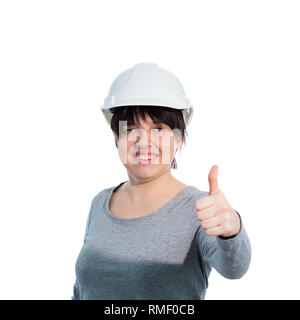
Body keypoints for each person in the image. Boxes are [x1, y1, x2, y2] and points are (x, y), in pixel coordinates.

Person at [71, 62, 251, 300]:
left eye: (158, 129)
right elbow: (81, 291)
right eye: (131, 129)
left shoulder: (199, 208)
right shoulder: (100, 202)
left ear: (179, 139)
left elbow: (234, 269)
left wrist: (232, 230)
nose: (144, 142)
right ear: (117, 137)